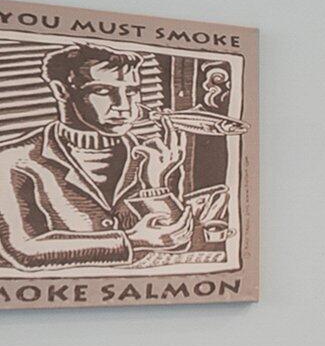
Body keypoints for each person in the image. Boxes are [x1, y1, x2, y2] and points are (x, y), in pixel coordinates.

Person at [0, 43, 196, 270]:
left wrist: (155, 186)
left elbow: (176, 241)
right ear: (60, 91)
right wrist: (133, 240)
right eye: (103, 91)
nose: (124, 106)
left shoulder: (154, 157)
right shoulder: (12, 160)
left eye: (131, 91)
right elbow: (24, 251)